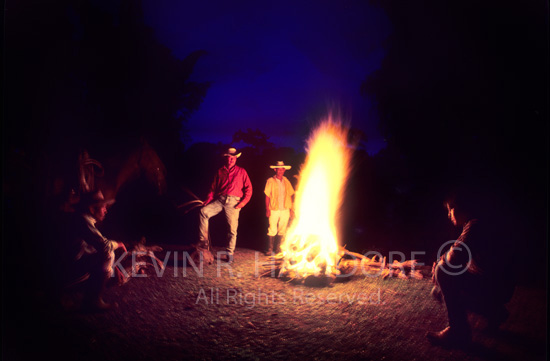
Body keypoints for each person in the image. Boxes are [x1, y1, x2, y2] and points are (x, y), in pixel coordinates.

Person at [427, 191, 514, 347]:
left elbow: (454, 257)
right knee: (438, 290)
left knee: (443, 271)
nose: (448, 215)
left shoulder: (476, 226)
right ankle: (494, 312)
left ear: (461, 207)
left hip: (495, 288)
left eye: (450, 209)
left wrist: (440, 264)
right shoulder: (477, 224)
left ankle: (458, 331)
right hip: (497, 287)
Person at [63, 190, 127, 311]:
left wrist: (114, 267)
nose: (106, 210)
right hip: (67, 270)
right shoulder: (82, 221)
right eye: (103, 207)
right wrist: (118, 244)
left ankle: (81, 292)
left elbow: (91, 247)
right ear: (93, 209)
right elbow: (104, 246)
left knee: (106, 257)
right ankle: (93, 301)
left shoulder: (82, 219)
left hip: (69, 265)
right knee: (109, 254)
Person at [198, 148, 253, 263]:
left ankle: (230, 252)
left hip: (234, 202)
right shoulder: (220, 171)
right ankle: (203, 243)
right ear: (226, 159)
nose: (230, 160)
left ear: (236, 158)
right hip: (220, 199)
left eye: (232, 158)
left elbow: (249, 189)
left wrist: (242, 203)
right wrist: (209, 198)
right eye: (228, 158)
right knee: (203, 212)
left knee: (232, 229)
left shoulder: (241, 171)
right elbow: (213, 188)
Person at [264, 161, 295, 255]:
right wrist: (267, 209)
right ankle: (270, 249)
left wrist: (291, 209)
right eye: (278, 169)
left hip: (285, 208)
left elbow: (290, 195)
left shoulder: (286, 181)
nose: (280, 171)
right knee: (272, 229)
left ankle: (278, 249)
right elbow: (267, 195)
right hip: (274, 208)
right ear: (275, 169)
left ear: (284, 170)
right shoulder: (270, 181)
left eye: (282, 169)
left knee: (282, 229)